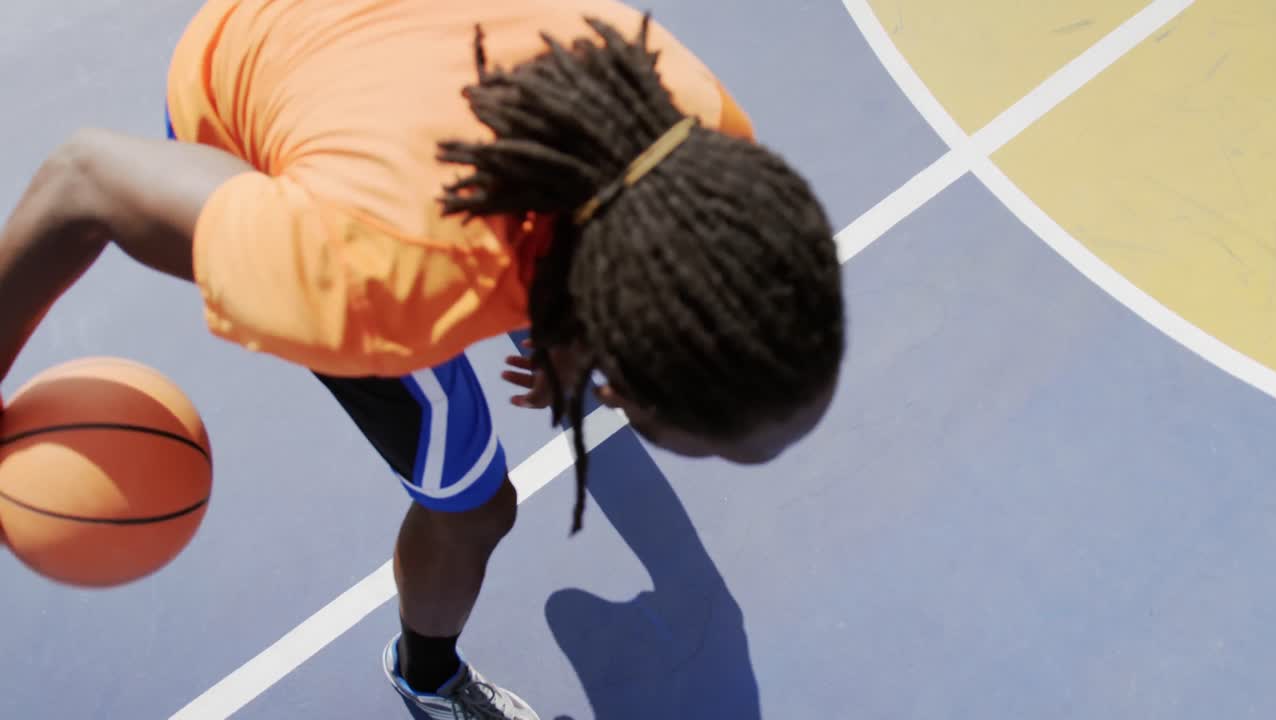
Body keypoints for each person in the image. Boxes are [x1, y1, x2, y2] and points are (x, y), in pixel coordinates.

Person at [0, 0, 845, 716]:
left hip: (379, 40)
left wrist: (566, 328)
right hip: (241, 85)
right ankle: (428, 676)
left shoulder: (696, 131)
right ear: (619, 371)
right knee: (474, 511)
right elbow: (84, 180)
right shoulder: (370, 278)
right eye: (638, 408)